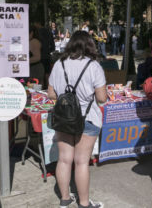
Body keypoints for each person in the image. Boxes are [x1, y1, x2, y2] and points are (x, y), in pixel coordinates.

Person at [48, 31, 107, 208]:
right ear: (90, 45)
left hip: (63, 118)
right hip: (88, 118)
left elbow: (51, 94)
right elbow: (102, 98)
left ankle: (65, 199)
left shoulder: (59, 64)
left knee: (64, 159)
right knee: (82, 162)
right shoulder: (94, 66)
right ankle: (83, 203)